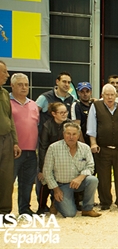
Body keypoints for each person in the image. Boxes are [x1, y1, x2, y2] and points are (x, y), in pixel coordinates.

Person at [87, 84, 118, 210]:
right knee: (103, 177)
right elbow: (91, 126)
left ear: (116, 96)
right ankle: (105, 202)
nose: (110, 97)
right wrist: (93, 143)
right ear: (102, 96)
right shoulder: (95, 106)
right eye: (107, 95)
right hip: (102, 148)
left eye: (112, 95)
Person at [43, 122, 101, 217]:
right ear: (63, 134)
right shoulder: (53, 148)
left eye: (74, 134)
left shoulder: (85, 148)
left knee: (93, 180)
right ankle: (56, 202)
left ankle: (87, 209)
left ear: (78, 135)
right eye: (68, 134)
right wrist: (56, 190)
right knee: (70, 214)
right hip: (61, 185)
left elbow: (90, 167)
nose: (71, 137)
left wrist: (80, 178)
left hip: (79, 182)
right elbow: (47, 172)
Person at [10, 73, 39, 215]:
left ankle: (24, 209)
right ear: (12, 86)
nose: (24, 87)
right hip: (12, 151)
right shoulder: (6, 103)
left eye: (26, 85)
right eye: (20, 84)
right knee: (8, 183)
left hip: (31, 151)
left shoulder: (33, 104)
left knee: (27, 183)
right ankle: (4, 211)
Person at [37, 102, 72, 214]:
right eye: (61, 112)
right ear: (53, 114)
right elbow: (43, 147)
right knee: (45, 180)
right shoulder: (47, 126)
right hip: (49, 158)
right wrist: (43, 169)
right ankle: (42, 206)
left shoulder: (69, 124)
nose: (64, 114)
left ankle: (56, 204)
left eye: (65, 112)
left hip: (65, 159)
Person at [0, 61, 21, 221]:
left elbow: (10, 119)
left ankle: (4, 212)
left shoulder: (5, 94)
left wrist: (15, 141)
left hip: (6, 139)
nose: (7, 75)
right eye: (4, 72)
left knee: (6, 178)